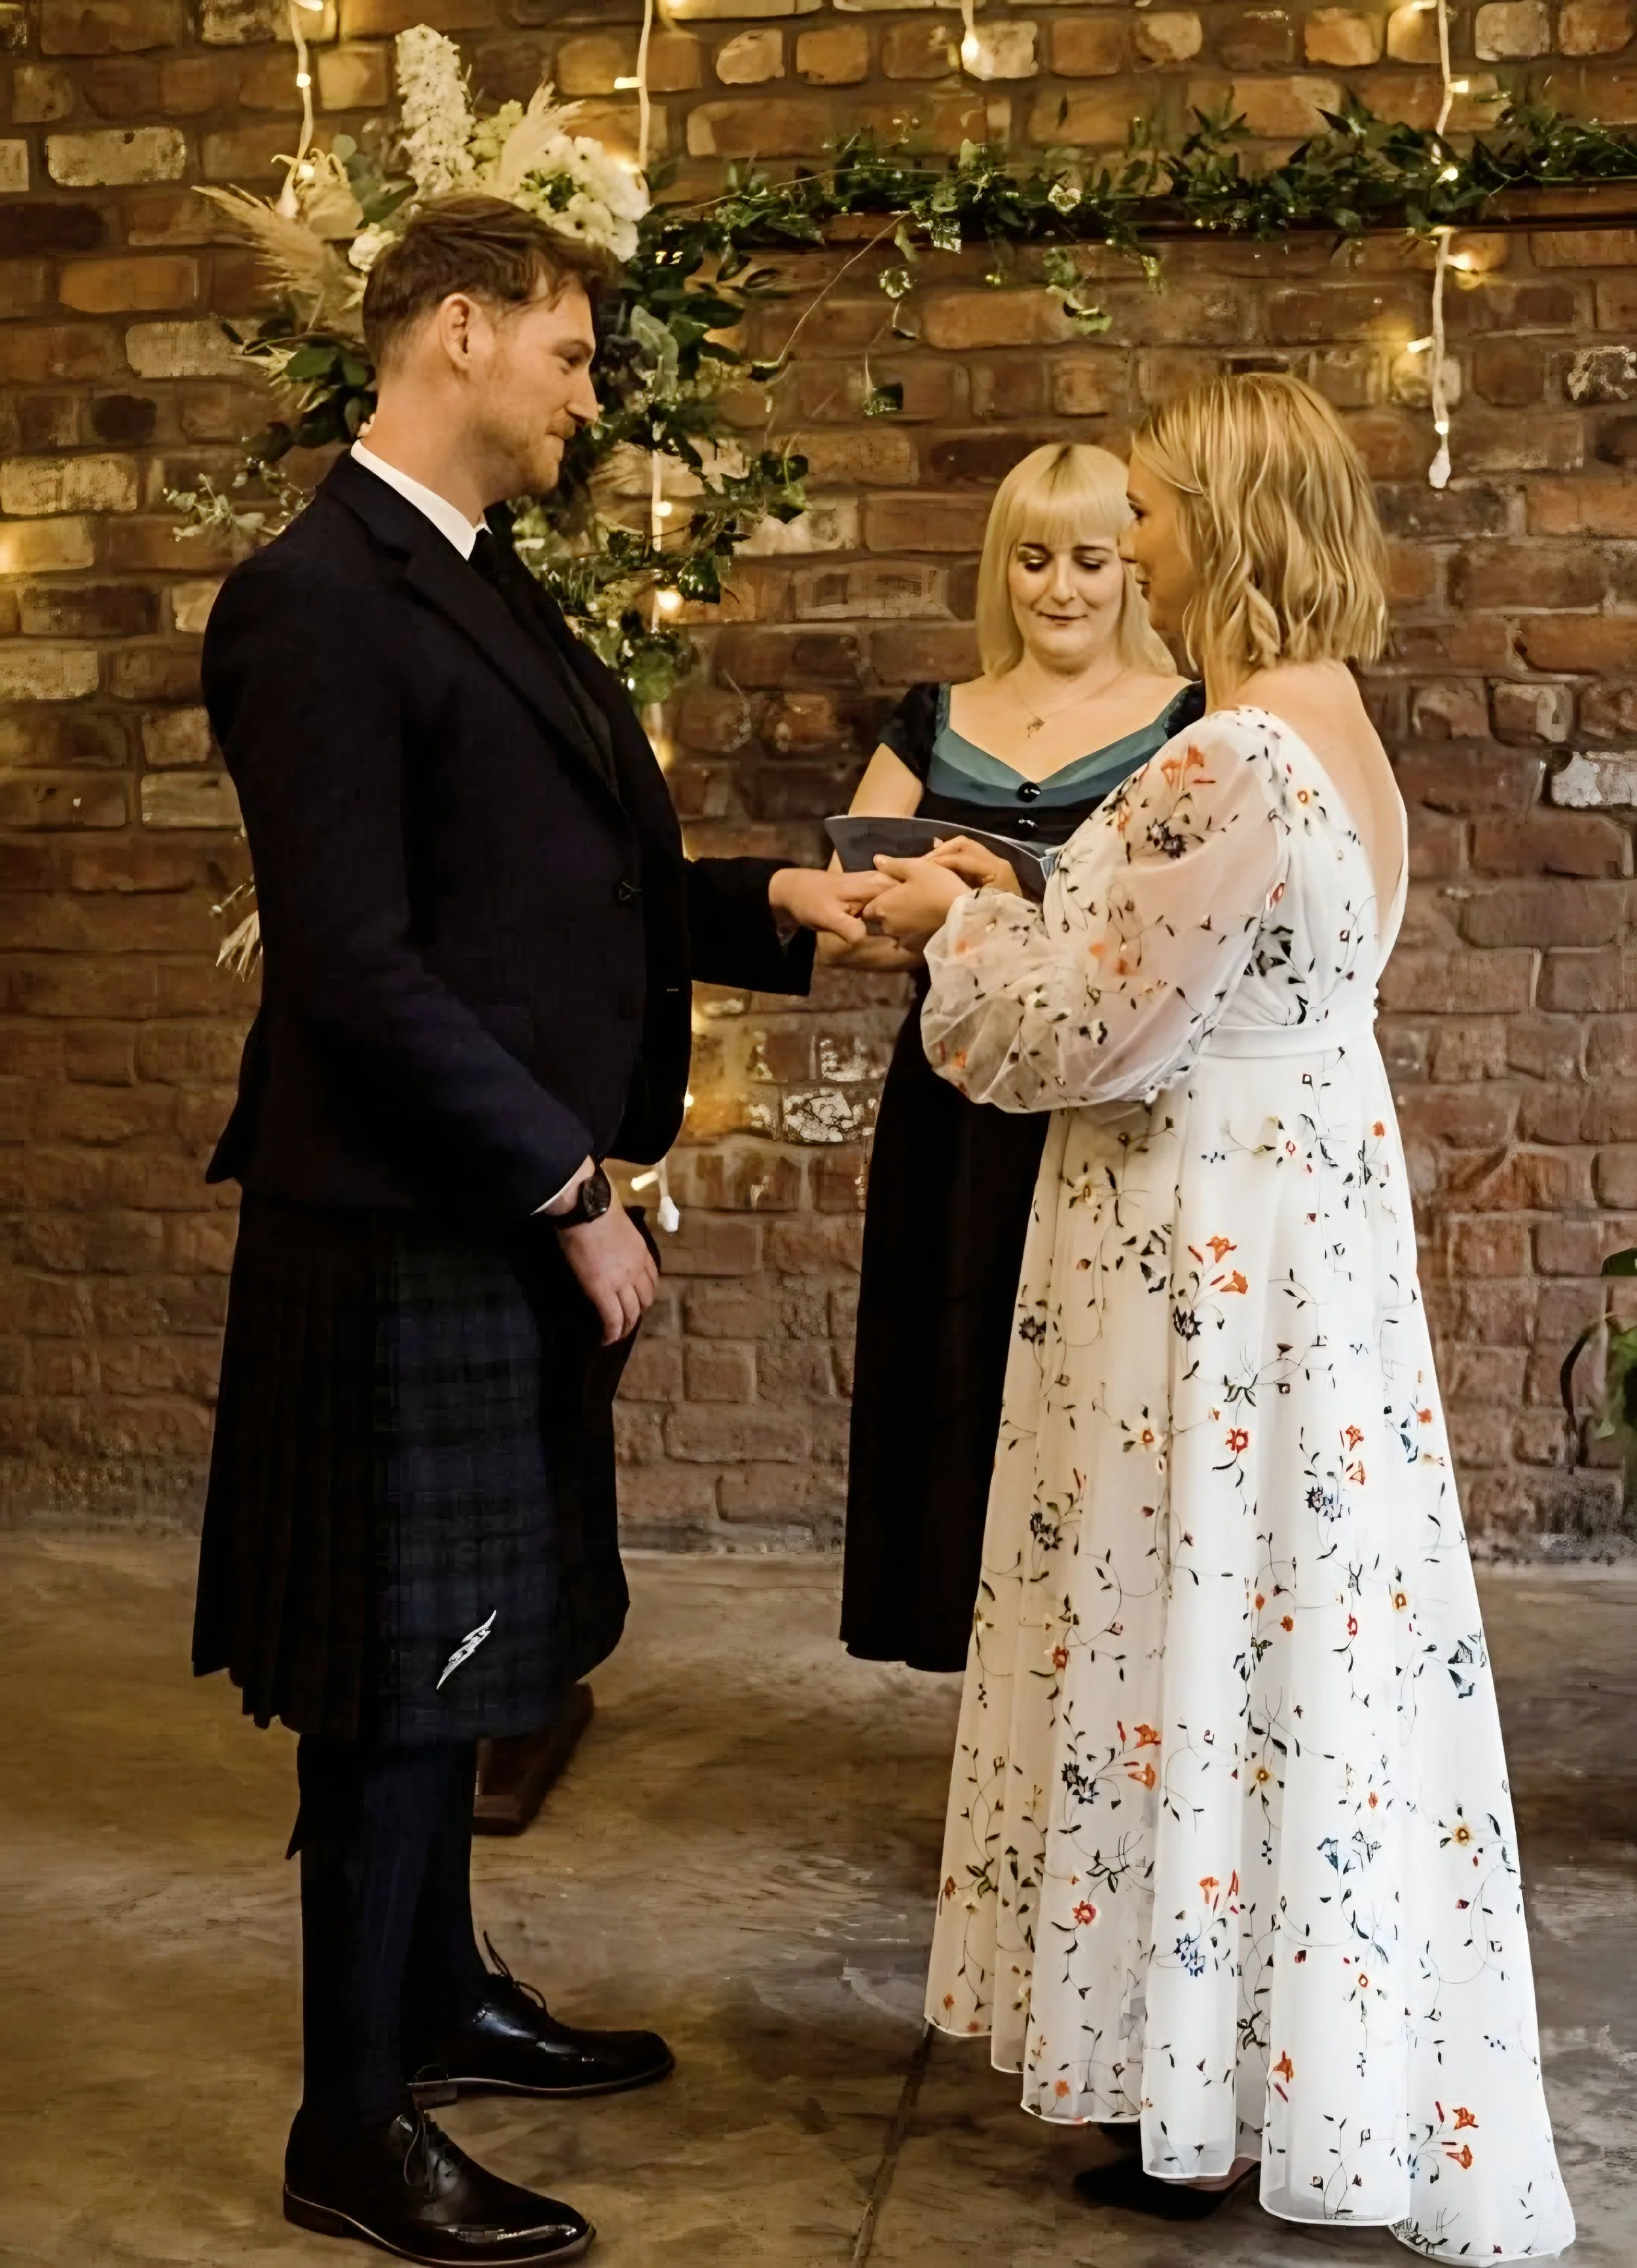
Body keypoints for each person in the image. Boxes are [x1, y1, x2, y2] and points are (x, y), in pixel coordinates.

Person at [191, 194, 879, 2266]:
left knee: (470, 1651)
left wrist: (762, 899)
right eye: (573, 355)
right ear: (463, 331)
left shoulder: (476, 578)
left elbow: (541, 892)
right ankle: (348, 2117)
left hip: (473, 1205)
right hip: (408, 1214)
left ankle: (439, 1991)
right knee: (398, 1688)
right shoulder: (315, 598)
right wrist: (569, 1185)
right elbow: (355, 968)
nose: (593, 394)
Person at [866, 374, 1575, 2258]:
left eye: (1161, 509)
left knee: (1183, 1628)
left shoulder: (1221, 757)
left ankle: (1191, 2103)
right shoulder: (1336, 738)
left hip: (1188, 1253)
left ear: (1229, 529)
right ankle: (1262, 2060)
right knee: (1290, 1654)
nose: (1141, 536)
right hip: (1305, 1241)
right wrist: (1034, 889)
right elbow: (1210, 962)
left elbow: (1065, 1035)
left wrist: (954, 923)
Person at [835, 443, 1200, 1674]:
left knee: (1093, 1401)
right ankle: (986, 1725)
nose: (1061, 589)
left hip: (1100, 1104)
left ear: (1133, 569)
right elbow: (859, 905)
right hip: (952, 1104)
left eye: (1093, 559)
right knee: (959, 1388)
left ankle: (1099, 1707)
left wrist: (1002, 903)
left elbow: (1170, 940)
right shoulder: (935, 717)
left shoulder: (1191, 721)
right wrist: (898, 905)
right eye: (1034, 560)